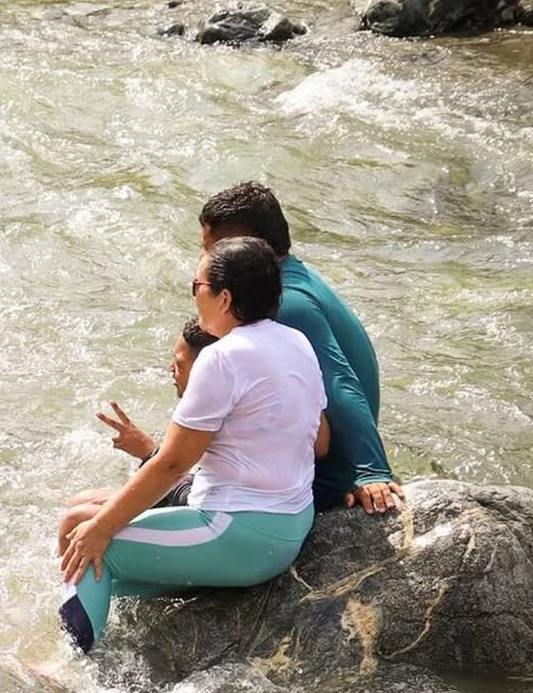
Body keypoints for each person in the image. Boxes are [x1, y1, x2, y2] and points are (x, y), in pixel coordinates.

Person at [59, 237, 325, 654]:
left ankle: (65, 672)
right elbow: (320, 440)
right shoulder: (298, 343)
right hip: (290, 528)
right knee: (96, 543)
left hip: (238, 533)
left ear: (224, 297)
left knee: (90, 543)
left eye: (196, 285)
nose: (194, 294)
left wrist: (101, 529)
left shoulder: (223, 357)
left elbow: (172, 464)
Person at [198, 182, 403, 514]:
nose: (204, 260)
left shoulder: (289, 304)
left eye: (212, 249)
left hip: (323, 480)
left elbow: (340, 383)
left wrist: (371, 470)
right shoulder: (292, 277)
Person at [57, 319, 330, 557]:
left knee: (77, 520)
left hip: (232, 518)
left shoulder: (220, 376)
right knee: (81, 501)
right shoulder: (291, 350)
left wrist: (148, 454)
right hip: (251, 505)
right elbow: (319, 444)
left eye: (179, 364)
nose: (170, 369)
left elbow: (173, 467)